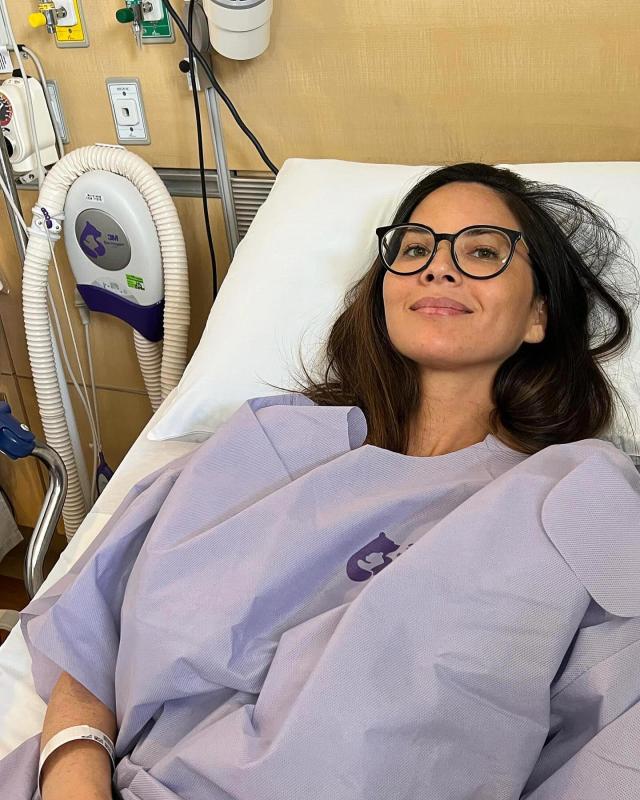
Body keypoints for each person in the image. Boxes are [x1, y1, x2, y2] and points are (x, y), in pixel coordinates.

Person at [6, 162, 640, 800]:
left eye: (482, 251)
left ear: (537, 316)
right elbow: (92, 637)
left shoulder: (571, 500)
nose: (437, 267)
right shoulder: (269, 441)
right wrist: (72, 777)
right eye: (415, 248)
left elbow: (615, 737)